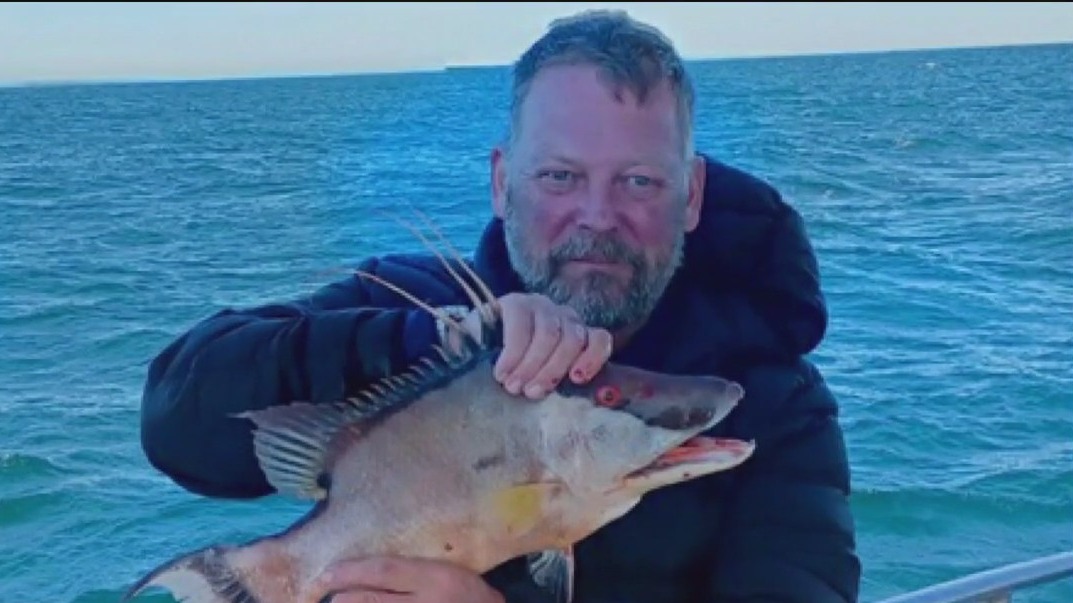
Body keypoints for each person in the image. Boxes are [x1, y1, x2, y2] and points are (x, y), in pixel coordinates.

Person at [139, 9, 860, 603]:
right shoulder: (406, 304)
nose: (597, 216)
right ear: (500, 181)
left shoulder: (775, 404)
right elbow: (178, 421)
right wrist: (421, 341)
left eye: (638, 181)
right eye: (558, 175)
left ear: (692, 194)